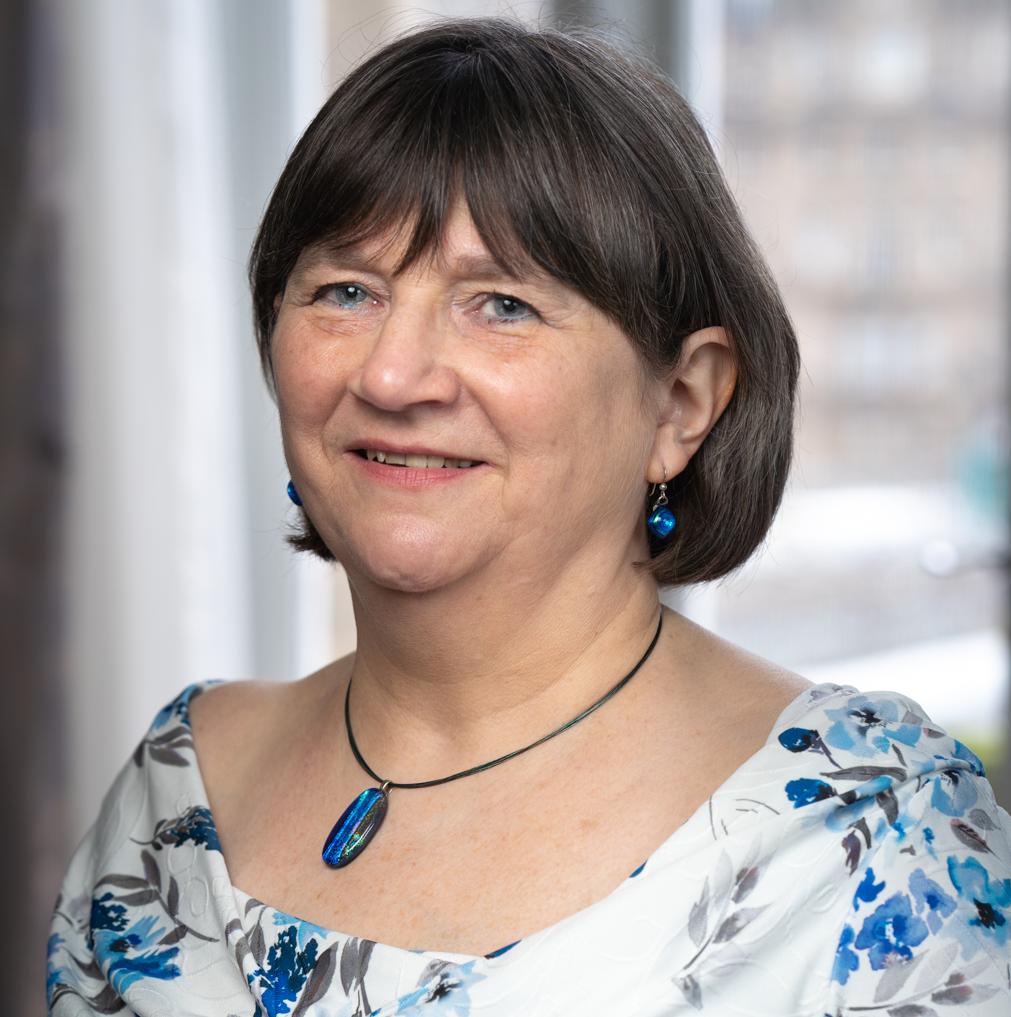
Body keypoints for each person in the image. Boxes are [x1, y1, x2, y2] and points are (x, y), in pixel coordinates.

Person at [47, 17, 1011, 1016]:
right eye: (345, 290)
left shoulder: (875, 838)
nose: (390, 373)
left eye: (500, 304)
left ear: (682, 402)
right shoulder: (174, 788)